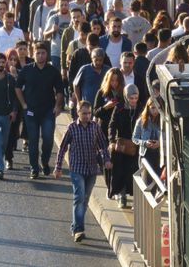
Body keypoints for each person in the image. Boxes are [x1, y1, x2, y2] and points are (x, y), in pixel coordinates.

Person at [54, 100, 112, 243]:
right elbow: (62, 148)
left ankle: (75, 225)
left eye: (89, 113)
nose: (87, 116)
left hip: (92, 169)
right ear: (78, 113)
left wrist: (106, 160)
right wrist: (58, 167)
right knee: (79, 197)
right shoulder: (72, 128)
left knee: (85, 200)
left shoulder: (95, 127)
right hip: (77, 169)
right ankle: (79, 230)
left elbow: (103, 145)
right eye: (84, 113)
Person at [15, 41, 64, 179]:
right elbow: (17, 87)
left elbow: (60, 90)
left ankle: (45, 161)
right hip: (31, 112)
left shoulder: (53, 71)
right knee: (33, 140)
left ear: (47, 54)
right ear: (33, 54)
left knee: (48, 139)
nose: (40, 55)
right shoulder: (27, 70)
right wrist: (23, 104)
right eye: (38, 53)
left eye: (43, 53)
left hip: (48, 111)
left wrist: (58, 106)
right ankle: (34, 168)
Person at [108, 84, 142, 208]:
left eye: (135, 98)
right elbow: (112, 125)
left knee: (132, 171)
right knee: (120, 171)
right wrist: (112, 141)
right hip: (122, 145)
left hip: (135, 146)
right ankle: (121, 196)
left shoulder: (140, 109)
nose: (133, 101)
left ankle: (135, 198)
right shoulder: (119, 108)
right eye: (131, 98)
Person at [93, 68, 125, 140]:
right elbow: (95, 113)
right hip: (104, 128)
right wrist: (105, 107)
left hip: (119, 129)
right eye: (112, 80)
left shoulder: (124, 93)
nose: (114, 83)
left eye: (117, 81)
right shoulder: (101, 92)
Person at [132, 98, 161, 174]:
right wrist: (144, 143)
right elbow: (134, 138)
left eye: (158, 108)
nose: (155, 111)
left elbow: (169, 139)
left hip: (159, 154)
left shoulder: (163, 121)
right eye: (153, 108)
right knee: (146, 179)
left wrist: (160, 143)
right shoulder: (141, 120)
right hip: (146, 154)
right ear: (148, 108)